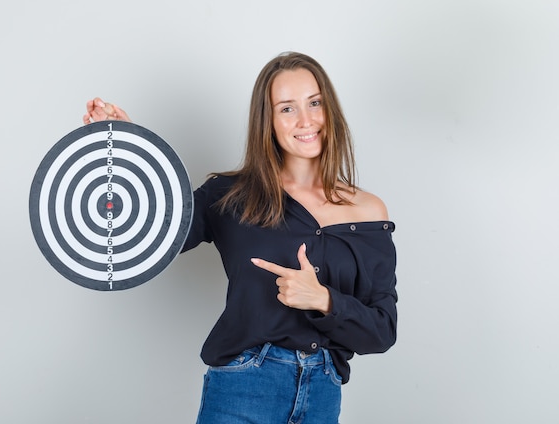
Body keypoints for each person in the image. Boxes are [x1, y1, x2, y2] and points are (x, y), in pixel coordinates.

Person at [83, 52, 397, 424]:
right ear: (268, 121)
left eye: (314, 103)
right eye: (286, 109)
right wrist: (133, 148)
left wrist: (323, 299)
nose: (306, 120)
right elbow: (156, 232)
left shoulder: (368, 210)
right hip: (244, 389)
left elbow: (381, 331)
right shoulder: (230, 195)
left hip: (321, 398)